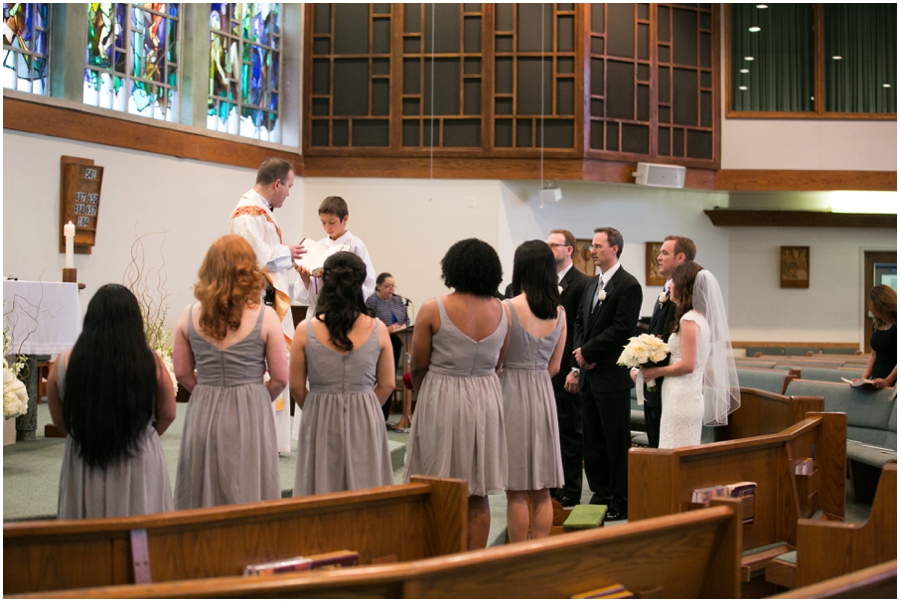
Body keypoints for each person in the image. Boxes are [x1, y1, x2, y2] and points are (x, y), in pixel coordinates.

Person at [404, 238, 510, 550]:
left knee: (437, 482)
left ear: (451, 268)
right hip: (486, 396)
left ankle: (439, 556)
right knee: (478, 492)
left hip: (443, 394)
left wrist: (426, 394)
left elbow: (418, 363)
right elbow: (499, 362)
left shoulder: (433, 308)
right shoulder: (503, 311)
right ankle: (473, 565)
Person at [173, 235, 287, 509]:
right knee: (249, 485)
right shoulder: (265, 316)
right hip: (251, 408)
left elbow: (183, 374)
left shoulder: (189, 315)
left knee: (203, 484)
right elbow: (281, 377)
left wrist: (208, 390)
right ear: (248, 270)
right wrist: (256, 396)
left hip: (205, 405)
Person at [47, 283, 176, 519]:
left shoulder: (64, 362)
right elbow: (169, 412)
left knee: (88, 529)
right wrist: (145, 434)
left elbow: (59, 418)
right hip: (139, 454)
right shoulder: (149, 361)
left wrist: (82, 432)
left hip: (86, 454)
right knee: (140, 528)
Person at [290, 253, 395, 495]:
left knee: (320, 486)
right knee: (365, 484)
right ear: (361, 284)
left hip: (320, 412)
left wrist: (317, 406)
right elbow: (388, 383)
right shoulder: (378, 327)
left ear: (325, 282)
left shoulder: (305, 329)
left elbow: (296, 385)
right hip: (365, 412)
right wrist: (366, 405)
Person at [227, 157, 303, 454]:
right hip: (257, 303)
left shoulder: (260, 212)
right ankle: (262, 438)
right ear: (277, 184)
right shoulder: (248, 213)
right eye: (289, 187)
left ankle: (275, 440)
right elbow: (252, 257)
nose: (288, 193)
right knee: (267, 368)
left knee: (277, 365)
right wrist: (288, 251)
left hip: (269, 304)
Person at [565, 227, 642, 522]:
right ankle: (600, 492)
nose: (592, 251)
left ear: (615, 249)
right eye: (592, 247)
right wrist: (580, 353)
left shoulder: (628, 285)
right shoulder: (591, 284)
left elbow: (622, 329)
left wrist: (590, 353)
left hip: (611, 376)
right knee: (592, 440)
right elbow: (579, 321)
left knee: (614, 440)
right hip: (588, 373)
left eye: (598, 246)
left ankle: (620, 499)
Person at [294, 195, 376, 439]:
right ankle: (311, 426)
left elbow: (368, 283)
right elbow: (304, 297)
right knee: (314, 375)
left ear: (345, 219)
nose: (327, 228)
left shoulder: (356, 246)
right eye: (323, 223)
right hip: (318, 314)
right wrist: (306, 278)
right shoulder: (315, 247)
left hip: (344, 315)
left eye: (332, 222)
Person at [501, 240, 566, 542]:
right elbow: (555, 367)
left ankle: (517, 554)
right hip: (543, 394)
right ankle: (540, 553)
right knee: (541, 489)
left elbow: (498, 359)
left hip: (512, 392)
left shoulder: (508, 307)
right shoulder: (559, 312)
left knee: (515, 489)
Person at [642, 262, 741, 448]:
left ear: (684, 286)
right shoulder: (698, 318)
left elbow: (688, 364)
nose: (669, 285)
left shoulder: (689, 320)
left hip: (681, 396)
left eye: (674, 281)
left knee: (673, 448)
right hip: (685, 394)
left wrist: (656, 371)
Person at [630, 235, 696, 449]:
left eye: (664, 253)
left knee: (665, 448)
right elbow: (656, 336)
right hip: (658, 385)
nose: (658, 258)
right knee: (656, 444)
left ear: (680, 257)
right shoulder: (667, 290)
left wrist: (651, 370)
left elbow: (672, 344)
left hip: (670, 385)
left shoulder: (687, 301)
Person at [546, 229, 590, 508]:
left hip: (568, 369)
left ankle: (571, 490)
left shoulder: (583, 283)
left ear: (569, 250)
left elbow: (582, 330)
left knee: (570, 433)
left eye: (554, 245)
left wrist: (576, 369)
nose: (549, 249)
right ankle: (550, 486)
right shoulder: (545, 283)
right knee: (549, 431)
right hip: (544, 368)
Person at [365, 272, 410, 422]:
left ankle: (383, 418)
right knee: (377, 379)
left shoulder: (398, 300)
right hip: (376, 343)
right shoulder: (371, 301)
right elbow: (368, 323)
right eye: (387, 286)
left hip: (397, 341)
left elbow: (407, 320)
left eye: (393, 286)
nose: (391, 289)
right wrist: (387, 329)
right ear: (378, 286)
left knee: (388, 379)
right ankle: (373, 416)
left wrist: (402, 326)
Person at [860, 285, 897, 388]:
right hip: (877, 380)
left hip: (893, 382)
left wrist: (888, 380)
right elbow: (873, 356)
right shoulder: (877, 325)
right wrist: (863, 379)